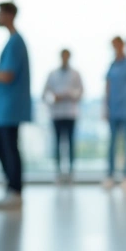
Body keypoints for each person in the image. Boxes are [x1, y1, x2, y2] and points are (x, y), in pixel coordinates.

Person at [0, 2, 32, 211]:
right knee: (3, 148)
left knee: (8, 149)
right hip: (5, 108)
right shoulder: (12, 42)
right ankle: (12, 188)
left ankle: (15, 191)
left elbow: (8, 75)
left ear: (8, 14)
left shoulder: (16, 42)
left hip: (10, 108)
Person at [43, 49, 84, 183]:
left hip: (70, 113)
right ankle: (58, 172)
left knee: (71, 144)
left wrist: (70, 95)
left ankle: (71, 172)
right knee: (57, 144)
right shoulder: (52, 74)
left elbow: (81, 92)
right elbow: (45, 94)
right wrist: (54, 98)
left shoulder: (76, 74)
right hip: (56, 114)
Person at [104, 36, 126, 189]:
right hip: (113, 109)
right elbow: (107, 86)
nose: (116, 48)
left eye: (118, 45)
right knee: (112, 144)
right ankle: (110, 175)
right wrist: (105, 107)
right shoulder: (112, 65)